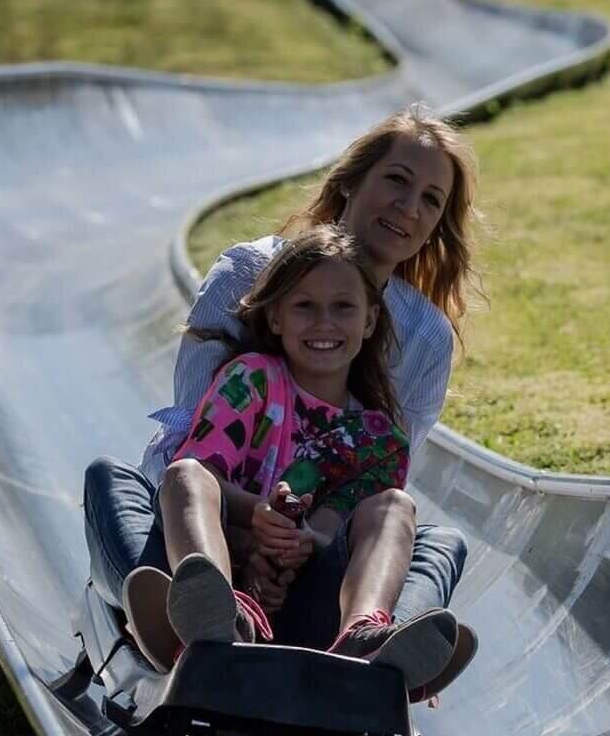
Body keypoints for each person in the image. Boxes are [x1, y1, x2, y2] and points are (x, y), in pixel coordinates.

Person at [83, 106, 480, 701]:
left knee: (436, 539)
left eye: (431, 199)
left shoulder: (421, 339)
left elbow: (373, 487)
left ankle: (375, 648)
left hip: (314, 563)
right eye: (397, 181)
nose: (408, 207)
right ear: (352, 181)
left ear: (371, 323)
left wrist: (302, 545)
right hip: (206, 530)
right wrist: (247, 531)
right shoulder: (248, 275)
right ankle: (192, 613)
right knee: (117, 480)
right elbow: (192, 436)